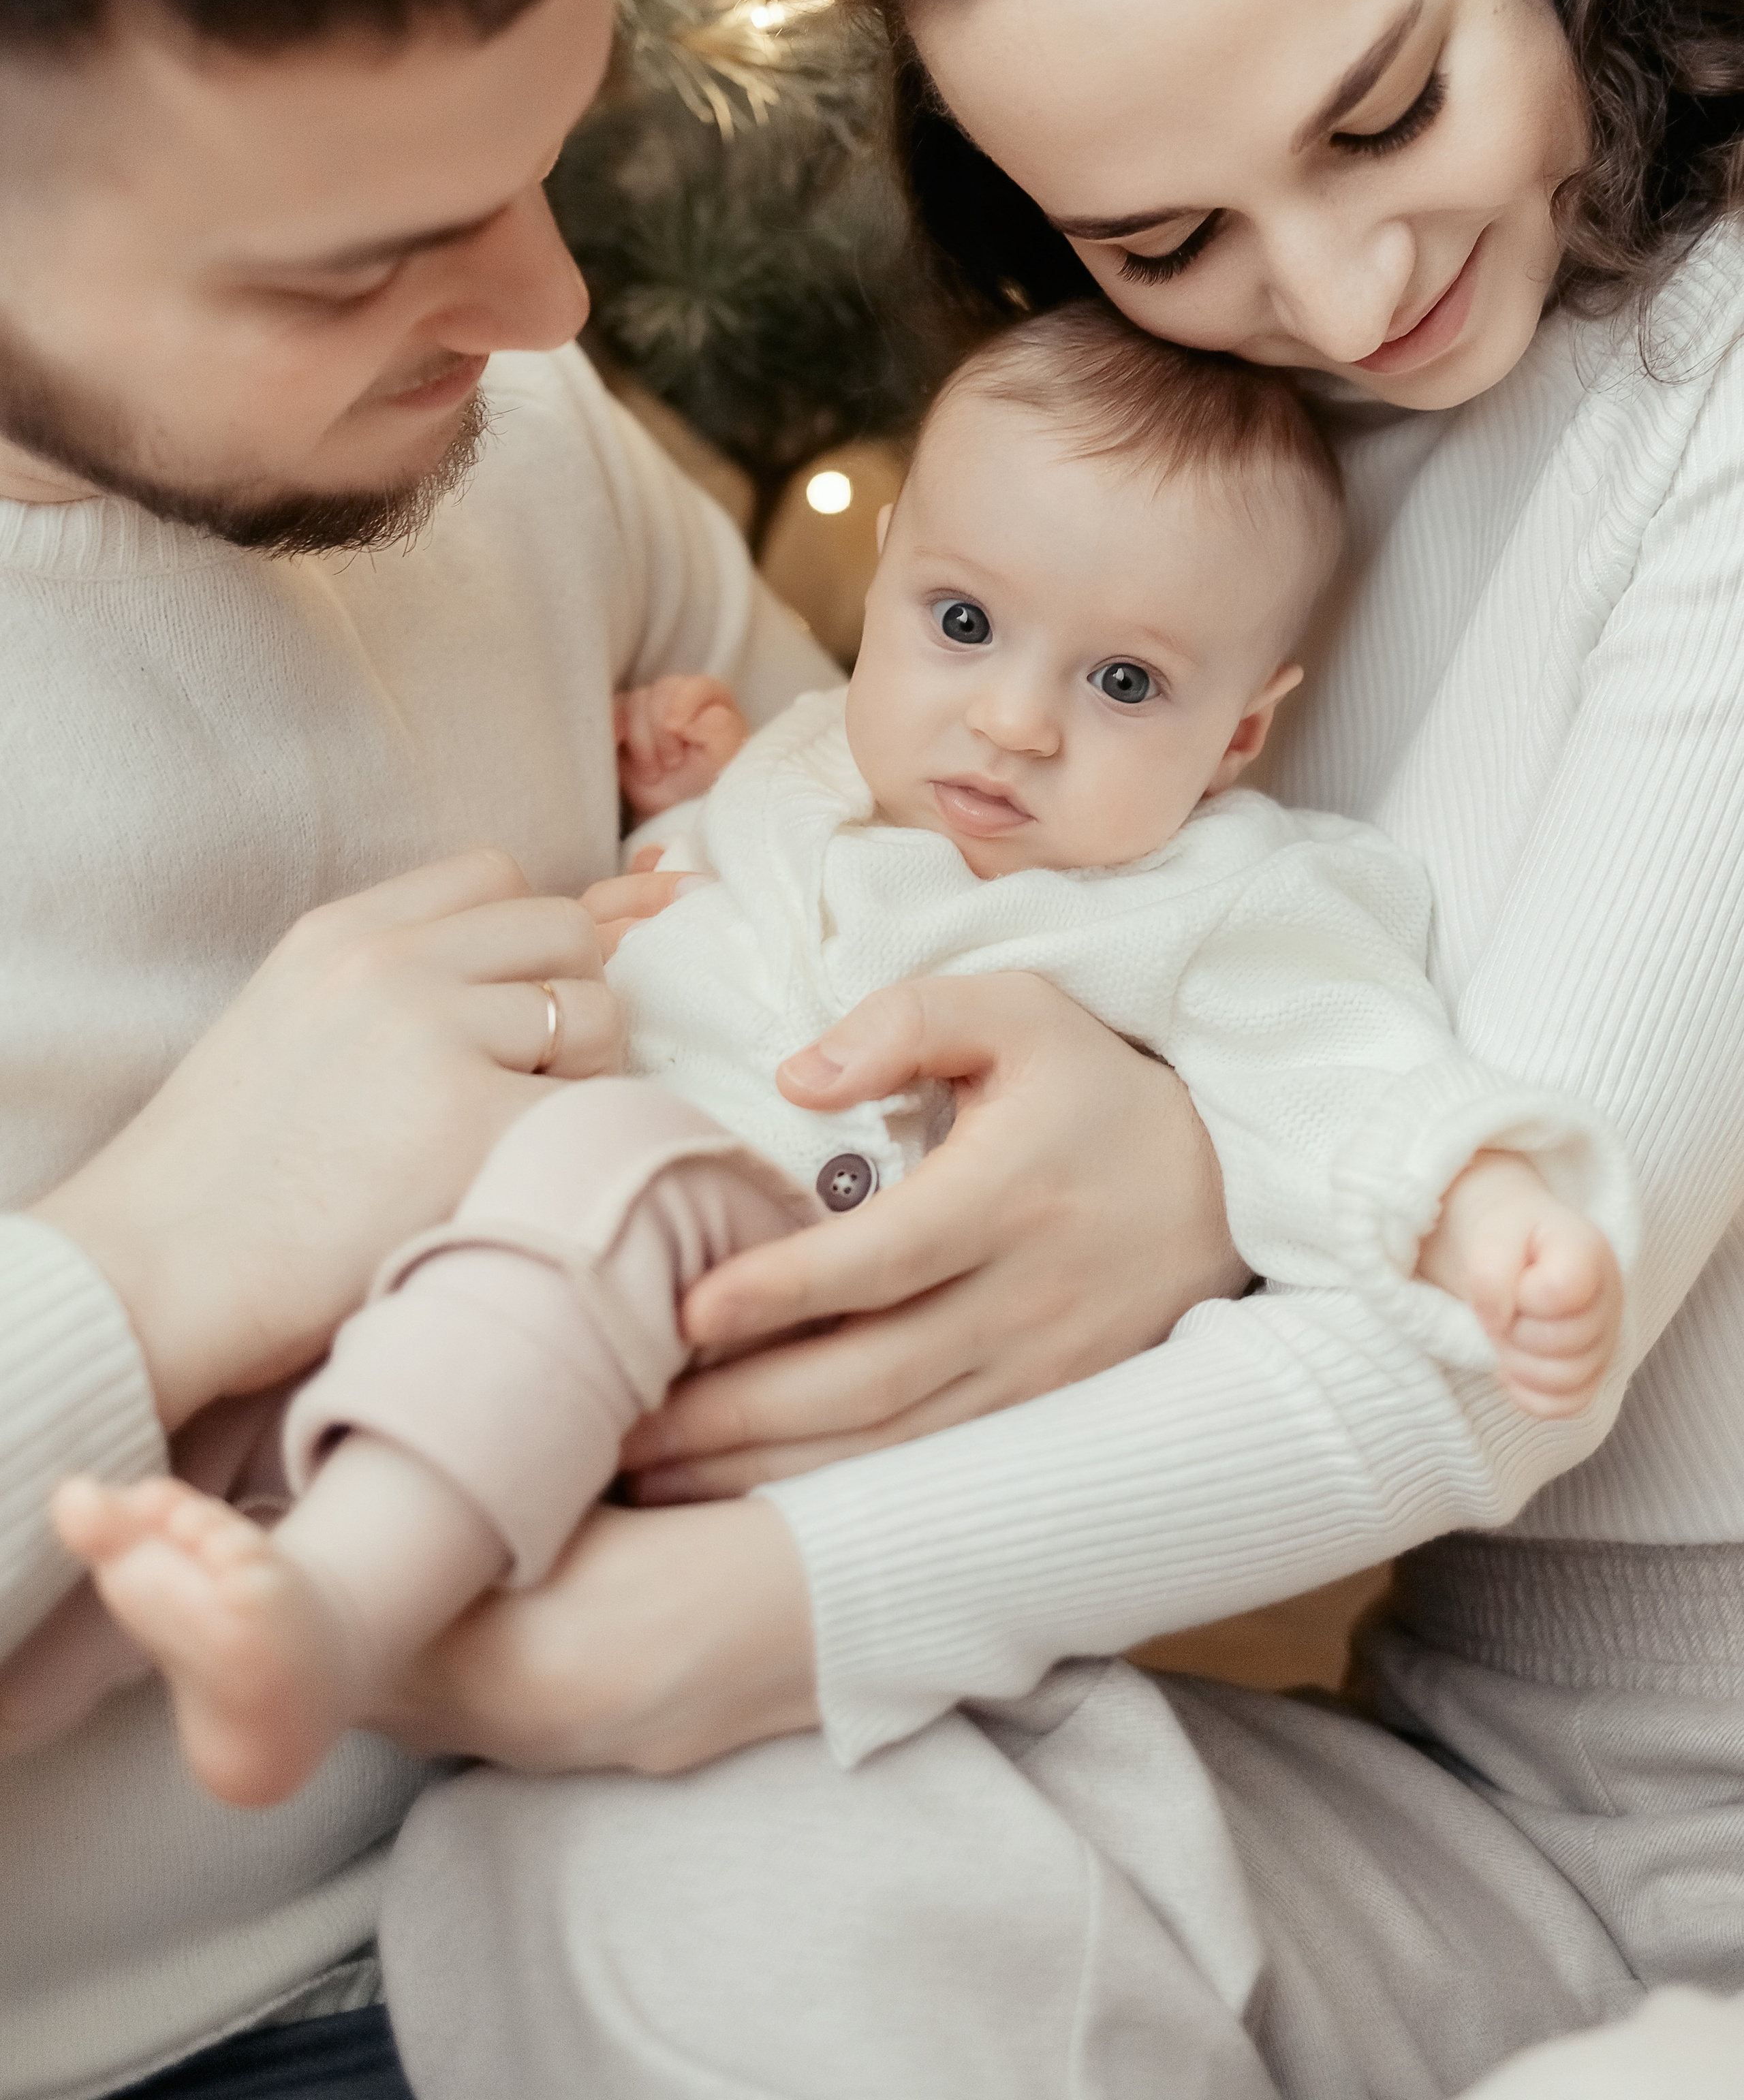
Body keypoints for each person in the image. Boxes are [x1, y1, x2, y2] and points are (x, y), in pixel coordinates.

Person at [373, 0, 1744, 2096]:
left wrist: (729, 1612)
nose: (1341, 302)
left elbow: (1502, 1340)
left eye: (1386, 109)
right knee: (578, 1880)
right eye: (1160, 234)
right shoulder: (1197, 481)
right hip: (1482, 1791)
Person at [48, 311, 1629, 1815]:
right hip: (546, 1293)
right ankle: (89, 1638)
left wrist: (1482, 1216)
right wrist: (683, 793)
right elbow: (699, 910)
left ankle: (329, 1619)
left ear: (1233, 734)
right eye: (960, 624)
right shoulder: (809, 764)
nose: (1009, 721)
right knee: (286, 1371)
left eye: (1124, 682)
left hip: (775, 1312)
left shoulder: (1213, 898)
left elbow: (1344, 1073)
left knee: (592, 1180)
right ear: (886, 581)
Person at [0, 0, 856, 2093]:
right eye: (352, 266)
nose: (553, 308)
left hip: (708, 1812)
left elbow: (879, 817)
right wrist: (150, 1271)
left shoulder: (503, 420)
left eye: (541, 165)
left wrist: (1079, 1116)